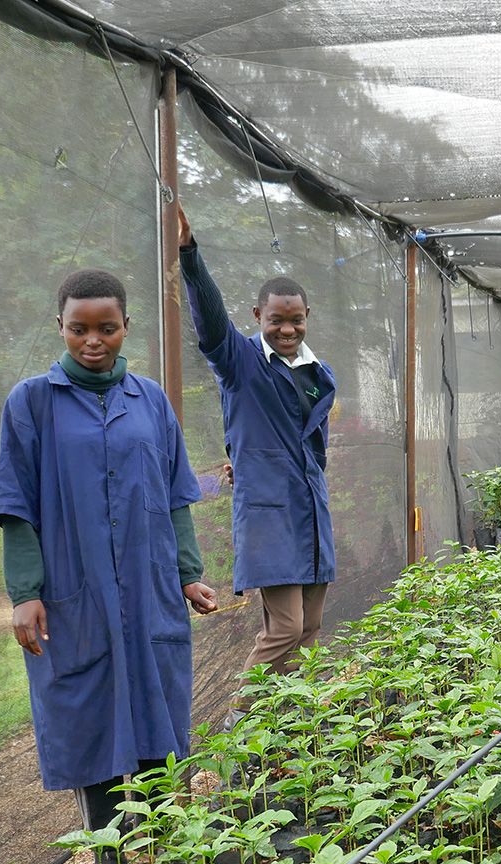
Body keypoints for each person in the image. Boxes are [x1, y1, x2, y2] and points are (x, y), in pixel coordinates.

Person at [0, 267, 220, 864]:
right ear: (59, 327)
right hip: (75, 589)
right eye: (79, 329)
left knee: (156, 709)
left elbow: (175, 495)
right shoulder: (32, 403)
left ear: (126, 327)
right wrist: (26, 594)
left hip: (148, 588)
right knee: (88, 716)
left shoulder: (150, 400)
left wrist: (187, 574)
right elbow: (16, 506)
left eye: (107, 328)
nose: (93, 341)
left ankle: (169, 859)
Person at [174, 205, 337, 679]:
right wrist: (190, 256)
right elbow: (210, 322)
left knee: (310, 629)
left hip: (310, 510)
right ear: (258, 316)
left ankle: (290, 728)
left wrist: (247, 457)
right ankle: (243, 725)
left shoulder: (318, 375)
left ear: (307, 317)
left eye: (295, 320)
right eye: (275, 319)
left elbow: (313, 447)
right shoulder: (240, 361)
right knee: (284, 628)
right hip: (269, 516)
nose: (286, 329)